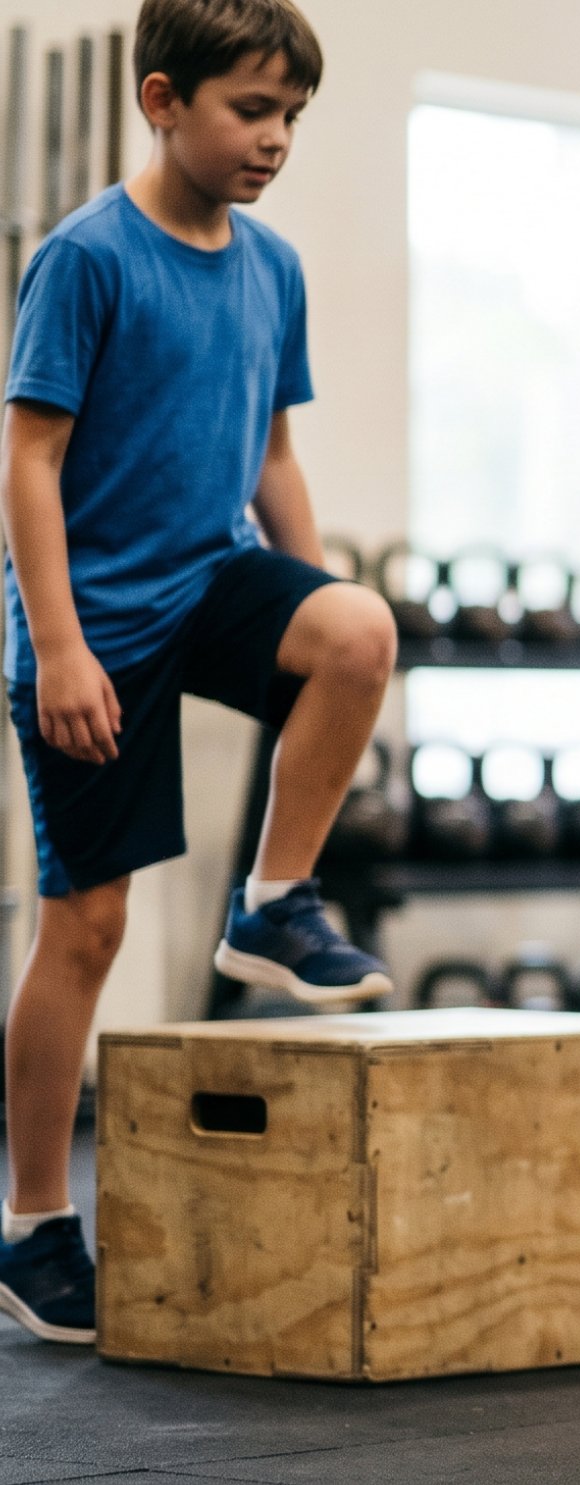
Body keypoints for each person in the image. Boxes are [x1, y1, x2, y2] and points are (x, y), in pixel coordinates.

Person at [0, 0, 396, 1349]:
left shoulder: (272, 267)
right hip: (97, 621)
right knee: (88, 929)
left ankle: (274, 902)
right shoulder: (84, 260)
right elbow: (30, 463)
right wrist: (54, 644)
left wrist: (323, 601)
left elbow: (272, 450)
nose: (275, 139)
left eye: (291, 116)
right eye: (250, 111)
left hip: (216, 576)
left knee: (360, 630)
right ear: (163, 100)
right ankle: (37, 1222)